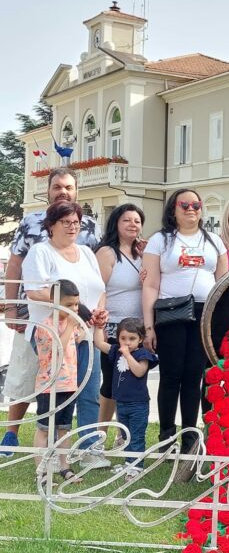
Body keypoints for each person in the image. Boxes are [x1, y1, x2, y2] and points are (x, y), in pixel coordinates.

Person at [1, 168, 101, 458]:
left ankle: (75, 450)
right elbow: (15, 266)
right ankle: (13, 434)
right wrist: (11, 307)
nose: (63, 191)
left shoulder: (90, 226)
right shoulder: (31, 222)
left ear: (76, 191)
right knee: (26, 376)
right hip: (38, 318)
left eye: (68, 187)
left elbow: (97, 271)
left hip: (80, 325)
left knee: (75, 384)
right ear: (48, 190)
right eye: (57, 186)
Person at [142, 188, 227, 479]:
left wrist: (218, 323)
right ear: (173, 210)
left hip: (204, 314)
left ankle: (190, 437)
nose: (191, 209)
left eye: (196, 205)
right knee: (170, 376)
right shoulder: (160, 240)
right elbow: (151, 284)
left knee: (194, 376)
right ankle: (166, 436)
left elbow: (222, 284)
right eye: (184, 205)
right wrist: (149, 324)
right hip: (170, 313)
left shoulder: (214, 241)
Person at [21, 200, 109, 470]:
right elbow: (35, 291)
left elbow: (100, 288)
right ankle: (49, 459)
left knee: (89, 391)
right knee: (59, 396)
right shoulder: (40, 252)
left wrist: (98, 313)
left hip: (87, 331)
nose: (72, 227)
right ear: (51, 225)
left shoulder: (86, 252)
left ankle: (88, 449)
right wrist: (75, 309)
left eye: (76, 223)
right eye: (66, 222)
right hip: (54, 335)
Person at [95, 204, 146, 438]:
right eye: (127, 220)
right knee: (111, 384)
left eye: (137, 221)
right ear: (116, 223)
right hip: (114, 328)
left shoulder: (142, 254)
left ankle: (122, 435)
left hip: (138, 330)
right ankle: (99, 435)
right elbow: (99, 290)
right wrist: (101, 325)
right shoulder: (107, 252)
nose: (132, 224)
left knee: (131, 384)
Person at [32, 280, 84, 485]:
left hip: (68, 384)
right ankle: (42, 470)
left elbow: (77, 341)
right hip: (49, 385)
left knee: (64, 427)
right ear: (54, 302)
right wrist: (71, 325)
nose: (74, 309)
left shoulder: (69, 324)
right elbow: (57, 353)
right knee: (45, 427)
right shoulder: (46, 326)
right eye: (69, 305)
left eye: (76, 305)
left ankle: (64, 467)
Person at [94, 318, 157, 479]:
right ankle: (129, 462)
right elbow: (99, 343)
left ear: (140, 339)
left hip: (138, 404)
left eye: (132, 339)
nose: (127, 342)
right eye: (123, 338)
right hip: (121, 403)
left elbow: (139, 371)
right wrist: (99, 326)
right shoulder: (116, 351)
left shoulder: (143, 354)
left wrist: (128, 355)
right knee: (125, 434)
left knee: (136, 435)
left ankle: (137, 466)